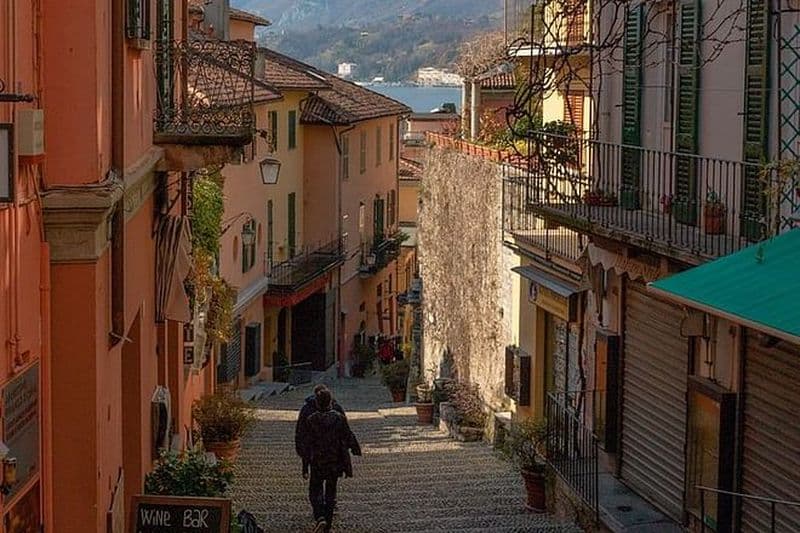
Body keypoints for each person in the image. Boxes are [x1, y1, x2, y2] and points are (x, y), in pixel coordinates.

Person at [301, 388, 360, 532]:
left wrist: (305, 466)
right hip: (335, 461)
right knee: (331, 492)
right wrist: (355, 448)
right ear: (330, 402)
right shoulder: (339, 418)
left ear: (317, 403)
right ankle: (327, 524)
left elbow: (307, 444)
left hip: (317, 461)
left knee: (315, 490)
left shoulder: (311, 420)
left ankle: (320, 517)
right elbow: (348, 435)